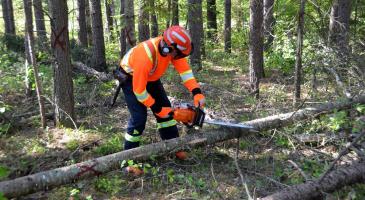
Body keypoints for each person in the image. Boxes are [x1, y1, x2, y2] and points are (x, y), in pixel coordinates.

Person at [118, 26, 205, 173]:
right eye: (178, 54)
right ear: (168, 48)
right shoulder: (144, 56)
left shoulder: (172, 50)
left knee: (167, 111)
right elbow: (139, 91)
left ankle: (174, 146)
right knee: (139, 118)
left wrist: (197, 92)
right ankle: (128, 160)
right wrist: (157, 109)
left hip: (151, 77)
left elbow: (185, 72)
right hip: (130, 78)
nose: (178, 57)